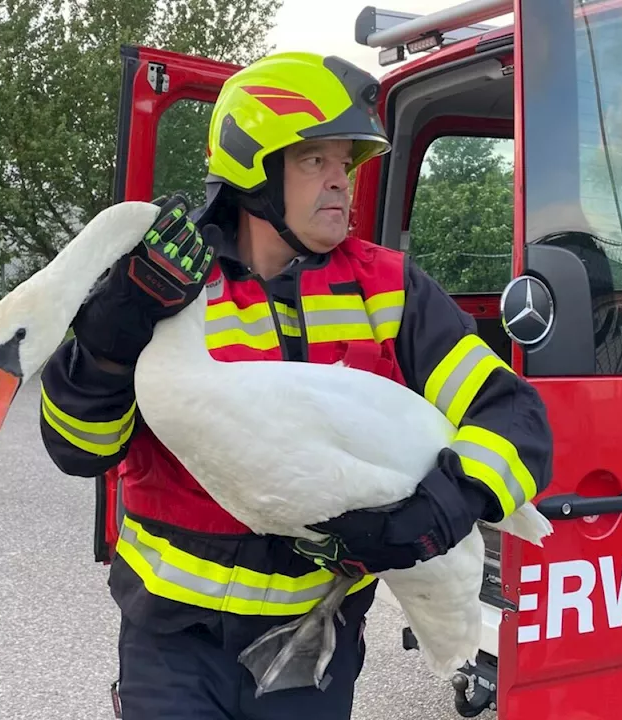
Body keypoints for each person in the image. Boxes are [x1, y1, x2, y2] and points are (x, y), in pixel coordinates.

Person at [39, 51, 553, 719]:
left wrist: (443, 511)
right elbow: (78, 450)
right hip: (172, 645)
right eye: (316, 161)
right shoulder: (163, 282)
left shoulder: (390, 288)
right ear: (252, 171)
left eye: (346, 163)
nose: (341, 182)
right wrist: (107, 347)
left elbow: (513, 418)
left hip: (311, 647)